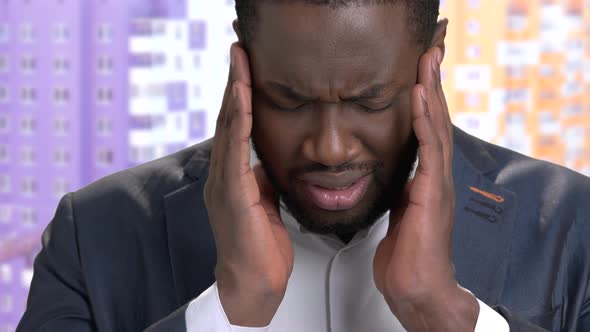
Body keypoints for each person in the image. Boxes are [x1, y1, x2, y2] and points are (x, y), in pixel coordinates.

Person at [16, 1, 590, 331]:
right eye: (289, 99)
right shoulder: (91, 236)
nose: (331, 148)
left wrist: (448, 316)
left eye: (369, 100)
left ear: (432, 58)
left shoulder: (573, 227)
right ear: (242, 56)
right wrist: (223, 315)